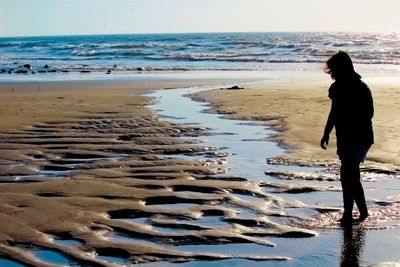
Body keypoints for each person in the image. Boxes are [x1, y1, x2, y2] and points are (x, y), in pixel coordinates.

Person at [320, 51, 374, 226]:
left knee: (348, 174)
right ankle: (362, 212)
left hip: (359, 138)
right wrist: (327, 132)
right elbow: (334, 112)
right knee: (350, 175)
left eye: (333, 70)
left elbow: (368, 113)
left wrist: (349, 122)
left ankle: (348, 214)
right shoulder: (339, 88)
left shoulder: (359, 87)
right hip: (346, 137)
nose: (331, 74)